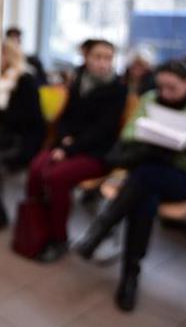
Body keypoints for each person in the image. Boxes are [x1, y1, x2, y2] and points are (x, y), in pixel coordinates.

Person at [74, 59, 186, 312]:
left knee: (144, 178)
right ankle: (129, 276)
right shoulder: (150, 99)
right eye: (161, 87)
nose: (165, 93)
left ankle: (101, 229)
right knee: (144, 197)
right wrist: (149, 131)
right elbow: (128, 134)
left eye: (172, 88)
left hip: (182, 176)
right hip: (146, 171)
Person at [24, 39, 127, 261]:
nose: (103, 63)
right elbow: (65, 117)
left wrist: (69, 148)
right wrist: (64, 140)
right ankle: (37, 228)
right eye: (98, 57)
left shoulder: (117, 88)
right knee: (35, 170)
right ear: (86, 58)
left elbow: (104, 130)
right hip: (67, 145)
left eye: (108, 58)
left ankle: (58, 238)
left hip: (96, 153)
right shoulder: (78, 79)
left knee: (56, 178)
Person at [0, 40, 45, 229]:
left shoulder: (24, 79)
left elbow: (28, 119)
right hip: (5, 134)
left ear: (9, 55)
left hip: (21, 139)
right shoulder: (0, 78)